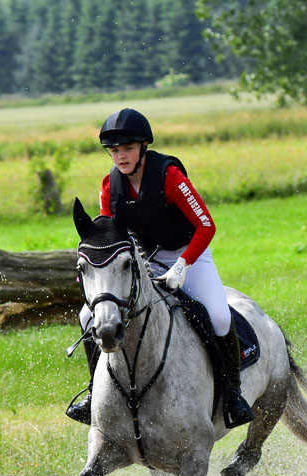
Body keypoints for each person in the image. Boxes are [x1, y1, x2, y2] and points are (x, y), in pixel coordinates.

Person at [67, 107, 253, 428]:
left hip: (188, 254)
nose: (120, 157)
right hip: (144, 259)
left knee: (219, 316)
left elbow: (206, 226)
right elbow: (112, 234)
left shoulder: (169, 177)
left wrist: (183, 264)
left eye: (127, 149)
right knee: (88, 316)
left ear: (143, 148)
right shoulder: (110, 186)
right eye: (114, 151)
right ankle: (94, 391)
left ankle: (233, 394)